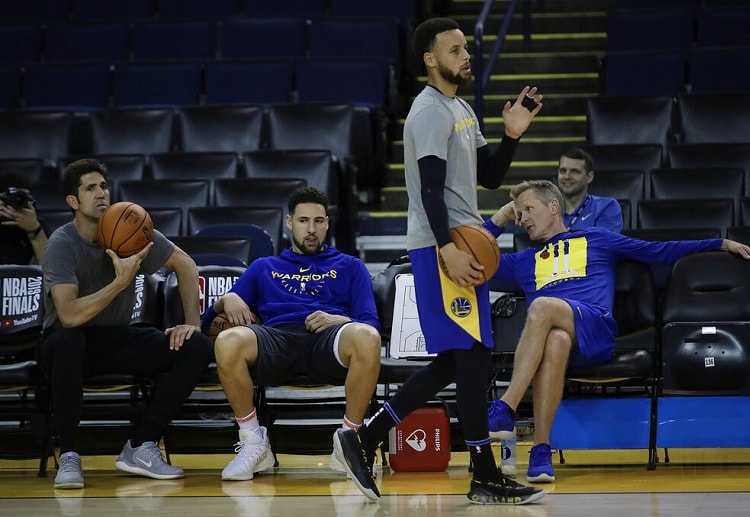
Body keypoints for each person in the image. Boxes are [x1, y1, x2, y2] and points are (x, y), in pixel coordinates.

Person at [333, 17, 545, 506]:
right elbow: (429, 189)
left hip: (459, 243)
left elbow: (490, 176)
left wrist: (513, 134)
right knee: (469, 359)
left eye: (466, 48)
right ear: (430, 59)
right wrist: (447, 247)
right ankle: (483, 472)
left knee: (460, 359)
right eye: (454, 50)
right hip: (442, 248)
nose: (465, 55)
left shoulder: (461, 108)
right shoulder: (428, 112)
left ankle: (364, 438)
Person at [483, 179, 750, 483]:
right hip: (558, 343)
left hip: (595, 327)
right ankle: (541, 450)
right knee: (555, 339)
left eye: (528, 209)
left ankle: (506, 406)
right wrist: (501, 217)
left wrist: (718, 243)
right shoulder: (522, 261)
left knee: (543, 306)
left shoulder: (598, 238)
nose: (524, 218)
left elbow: (659, 251)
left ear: (553, 206)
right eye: (520, 213)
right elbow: (476, 259)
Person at [39, 158, 214, 489]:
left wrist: (191, 323)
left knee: (197, 346)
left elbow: (187, 265)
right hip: (63, 342)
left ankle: (141, 445)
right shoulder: (61, 244)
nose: (101, 193)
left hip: (115, 338)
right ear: (73, 202)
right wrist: (120, 283)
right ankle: (69, 453)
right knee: (68, 341)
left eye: (103, 185)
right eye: (90, 188)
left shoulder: (129, 228)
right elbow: (69, 315)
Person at [202, 186, 381, 482]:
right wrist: (226, 299)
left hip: (328, 340)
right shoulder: (263, 267)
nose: (311, 229)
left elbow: (370, 325)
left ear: (327, 223)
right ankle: (253, 443)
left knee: (367, 337)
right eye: (303, 221)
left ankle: (350, 443)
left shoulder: (351, 266)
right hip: (276, 340)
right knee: (227, 340)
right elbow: (208, 323)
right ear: (289, 222)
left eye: (319, 221)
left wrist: (340, 319)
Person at [557, 147, 622, 232]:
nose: (567, 176)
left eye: (575, 171)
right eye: (563, 171)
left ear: (589, 177)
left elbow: (604, 243)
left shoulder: (607, 207)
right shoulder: (547, 211)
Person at [0, 172, 48, 264]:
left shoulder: (37, 225)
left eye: (22, 197)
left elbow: (53, 270)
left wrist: (34, 230)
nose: (17, 201)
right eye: (11, 198)